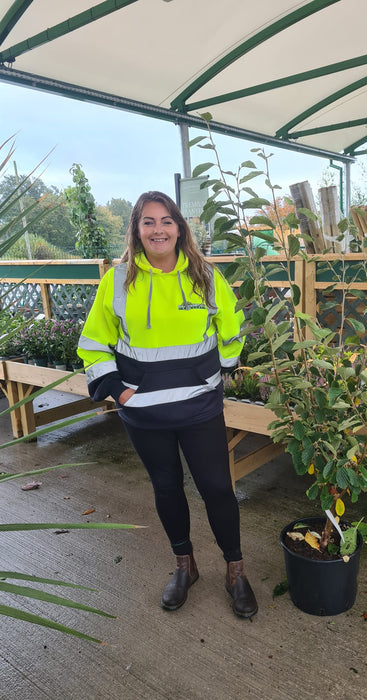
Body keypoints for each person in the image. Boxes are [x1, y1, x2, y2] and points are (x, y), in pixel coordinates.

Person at [77, 190, 257, 619]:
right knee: (167, 488)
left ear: (180, 228)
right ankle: (185, 565)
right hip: (144, 414)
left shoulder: (206, 277)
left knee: (217, 488)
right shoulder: (116, 280)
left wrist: (219, 375)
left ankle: (235, 570)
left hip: (199, 408)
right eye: (148, 222)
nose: (158, 230)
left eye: (166, 221)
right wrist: (120, 392)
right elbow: (94, 343)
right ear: (137, 231)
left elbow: (231, 332)